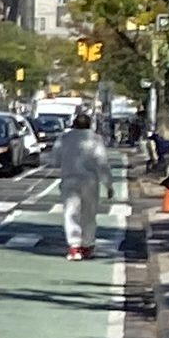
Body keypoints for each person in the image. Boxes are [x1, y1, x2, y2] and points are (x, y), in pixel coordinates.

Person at [54, 110, 115, 259]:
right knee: (89, 213)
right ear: (89, 125)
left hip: (69, 179)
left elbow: (54, 159)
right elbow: (102, 163)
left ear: (74, 124)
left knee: (71, 213)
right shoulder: (95, 139)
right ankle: (87, 245)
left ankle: (74, 247)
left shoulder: (64, 138)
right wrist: (108, 184)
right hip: (90, 181)